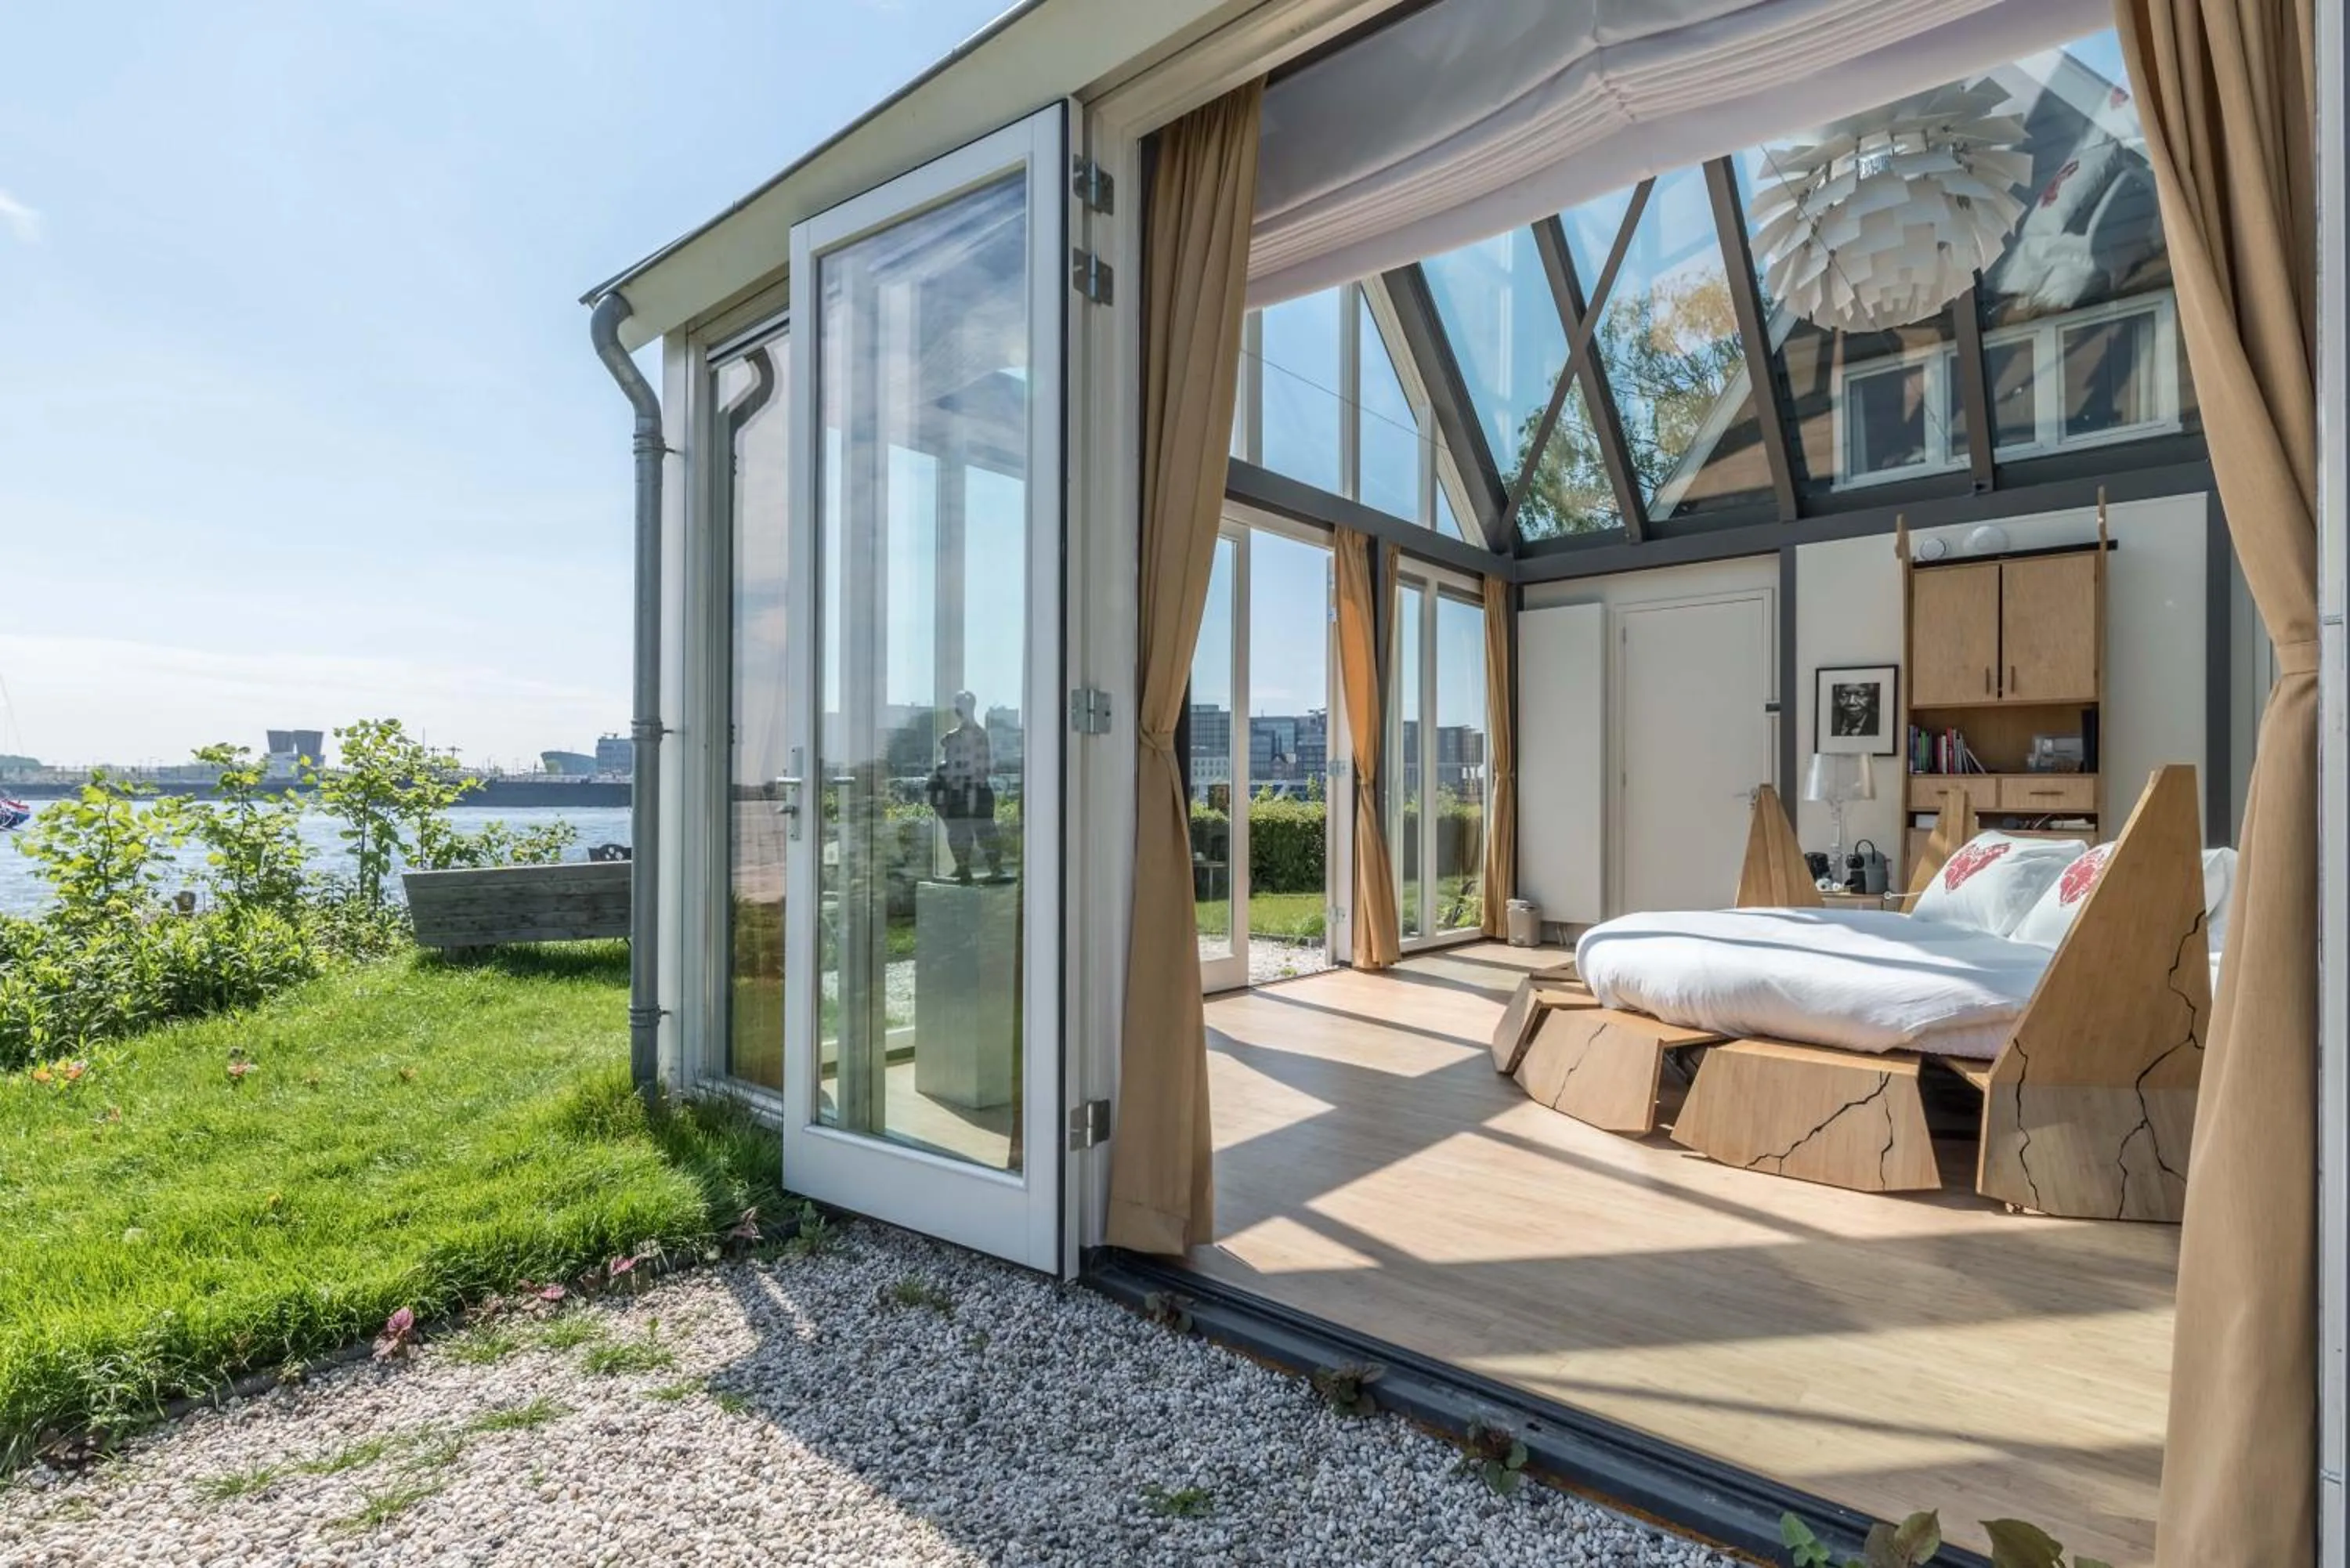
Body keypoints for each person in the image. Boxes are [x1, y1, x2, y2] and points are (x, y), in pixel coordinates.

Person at [927, 691, 1001, 883]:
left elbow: (983, 766)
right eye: (960, 705)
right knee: (958, 830)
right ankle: (963, 868)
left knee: (985, 830)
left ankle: (995, 868)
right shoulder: (951, 738)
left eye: (965, 705)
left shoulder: (979, 735)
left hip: (976, 788)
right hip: (957, 790)